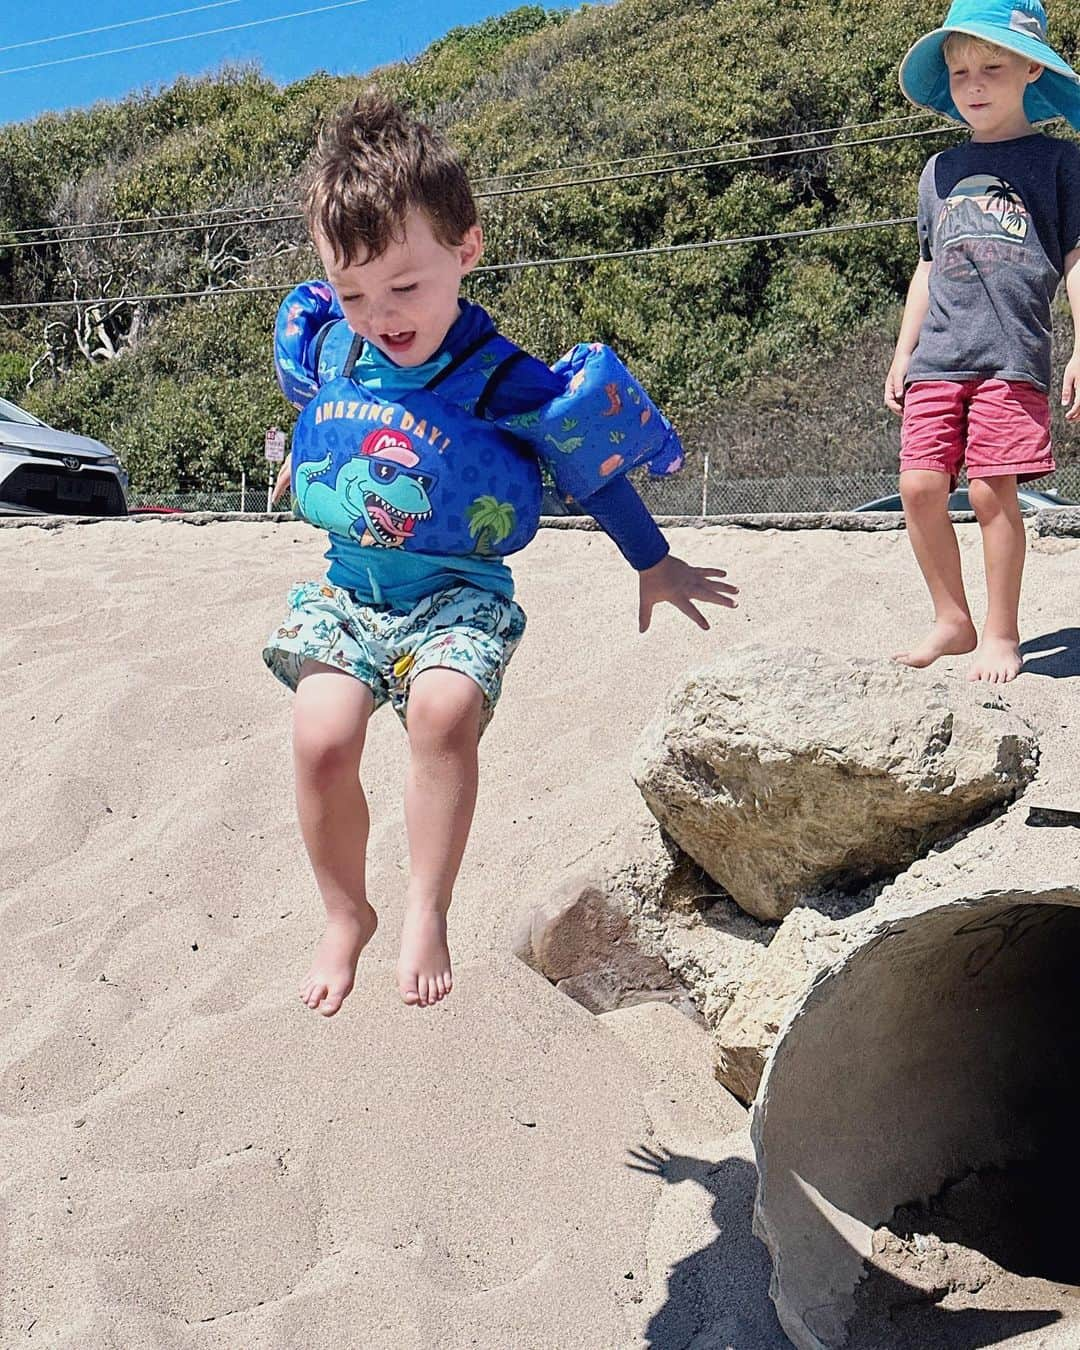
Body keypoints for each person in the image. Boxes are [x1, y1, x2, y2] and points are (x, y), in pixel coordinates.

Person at [263, 93, 737, 1017]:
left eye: (404, 286)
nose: (380, 314)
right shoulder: (331, 347)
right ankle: (343, 910)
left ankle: (427, 909)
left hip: (458, 590)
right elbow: (326, 428)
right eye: (353, 292)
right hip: (348, 586)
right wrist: (300, 466)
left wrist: (653, 561)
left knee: (441, 716)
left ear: (465, 251)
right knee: (320, 738)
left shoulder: (502, 375)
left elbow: (586, 466)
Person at [885, 0, 1080, 682]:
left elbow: (1078, 258)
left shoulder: (1061, 163)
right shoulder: (938, 169)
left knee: (994, 493)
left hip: (1010, 358)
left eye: (992, 67)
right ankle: (952, 619)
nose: (974, 83)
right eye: (961, 70)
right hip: (938, 356)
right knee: (916, 487)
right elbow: (927, 265)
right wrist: (903, 350)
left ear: (1031, 68)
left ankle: (1001, 632)